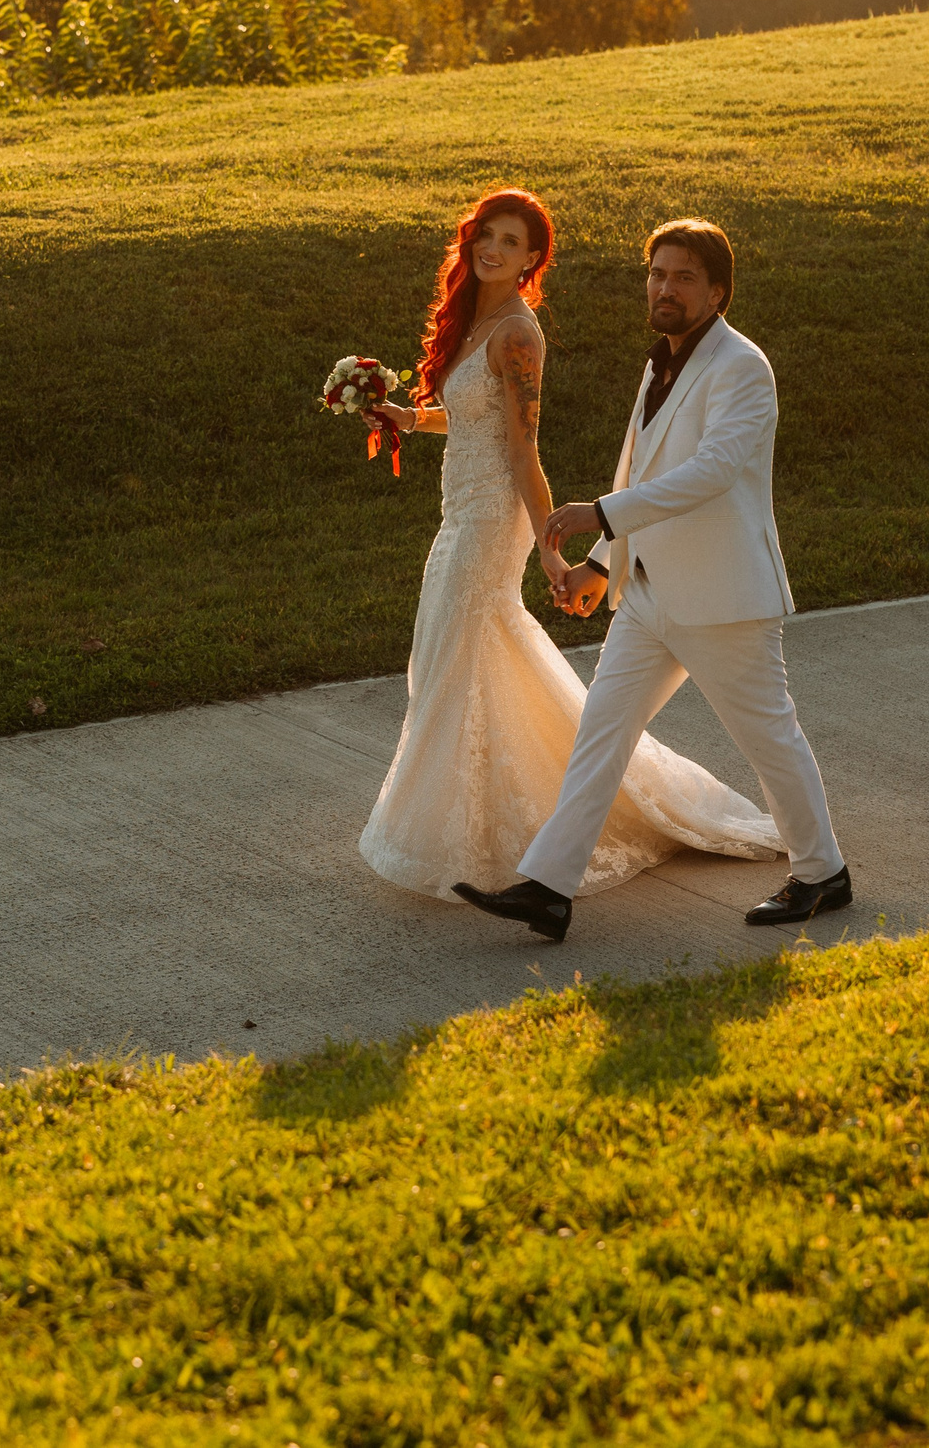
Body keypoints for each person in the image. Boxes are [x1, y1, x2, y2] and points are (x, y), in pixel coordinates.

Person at [357, 192, 785, 925]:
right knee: (452, 657)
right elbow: (474, 417)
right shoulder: (479, 322)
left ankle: (498, 845)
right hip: (458, 513)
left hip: (492, 518)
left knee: (463, 654)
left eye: (510, 240)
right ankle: (514, 843)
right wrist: (410, 416)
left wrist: (553, 554)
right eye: (486, 234)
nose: (492, 248)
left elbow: (523, 450)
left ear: (532, 258)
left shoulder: (518, 333)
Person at [454, 218, 853, 944]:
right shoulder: (660, 361)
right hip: (645, 595)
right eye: (657, 274)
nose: (665, 288)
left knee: (768, 737)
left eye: (684, 277)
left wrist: (600, 513)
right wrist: (601, 565)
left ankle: (823, 872)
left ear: (717, 292)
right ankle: (549, 889)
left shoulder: (742, 367)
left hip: (722, 597)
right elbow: (640, 470)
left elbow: (710, 473)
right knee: (600, 733)